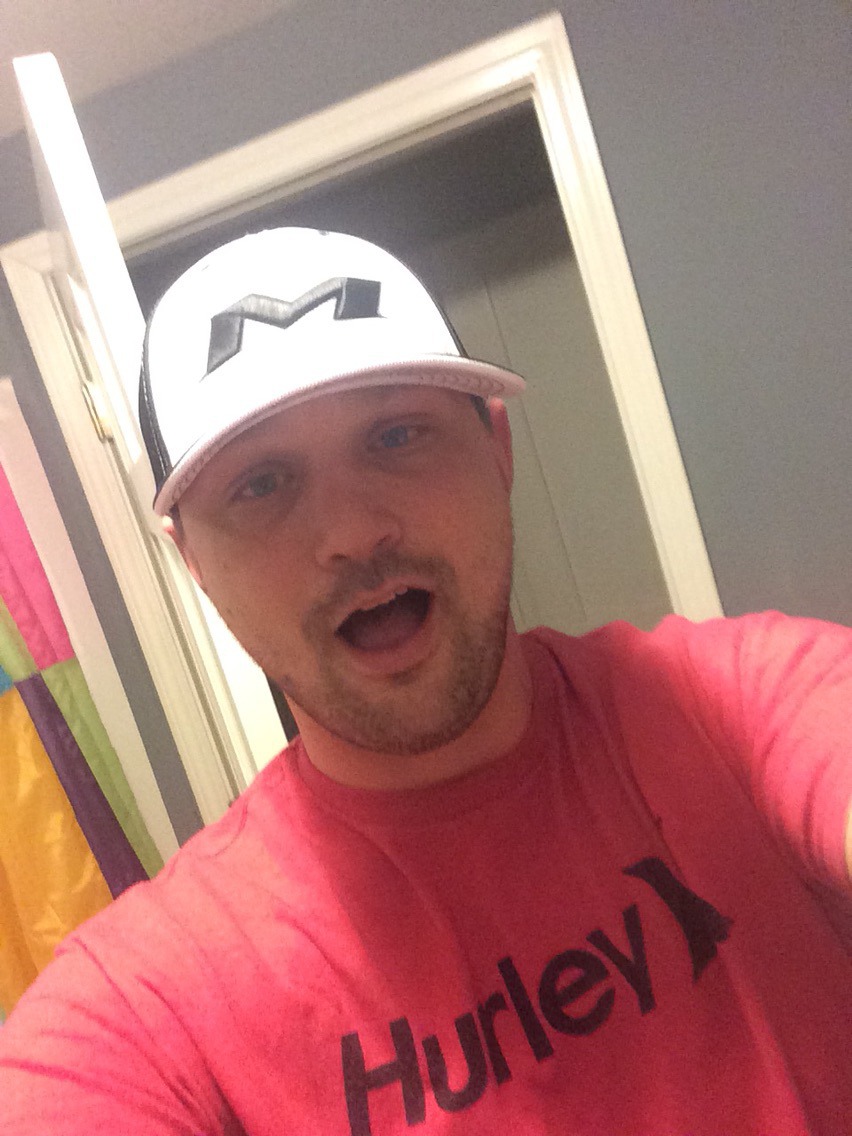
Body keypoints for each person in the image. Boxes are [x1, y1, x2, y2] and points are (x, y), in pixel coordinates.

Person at [0, 227, 850, 1136]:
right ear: (195, 564)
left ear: (498, 450)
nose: (353, 533)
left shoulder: (735, 706)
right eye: (261, 484)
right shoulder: (147, 1006)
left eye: (397, 434)